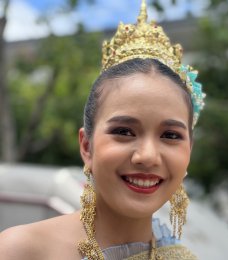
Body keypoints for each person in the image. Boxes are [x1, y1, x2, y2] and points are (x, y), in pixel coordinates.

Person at [0, 0, 205, 259]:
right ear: (87, 146)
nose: (148, 156)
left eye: (171, 135)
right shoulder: (20, 250)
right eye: (124, 131)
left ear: (189, 150)